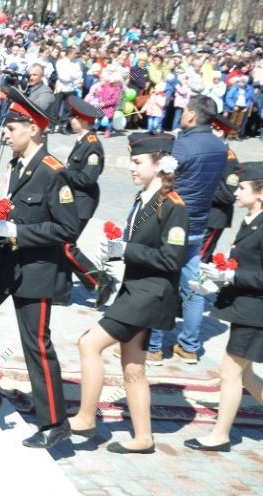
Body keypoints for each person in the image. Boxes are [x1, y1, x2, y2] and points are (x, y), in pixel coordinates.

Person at [0, 88, 78, 450]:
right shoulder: (16, 165)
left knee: (36, 344)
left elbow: (67, 229)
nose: (5, 133)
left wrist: (19, 232)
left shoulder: (53, 172)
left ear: (35, 129)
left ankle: (55, 422)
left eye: (13, 126)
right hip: (6, 260)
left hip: (37, 269)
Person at [69, 133, 187, 454]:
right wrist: (119, 249)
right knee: (133, 367)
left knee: (89, 343)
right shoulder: (144, 198)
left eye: (137, 162)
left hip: (150, 294)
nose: (131, 168)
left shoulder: (173, 205)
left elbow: (171, 259)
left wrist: (128, 249)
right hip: (135, 289)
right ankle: (144, 438)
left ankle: (85, 417)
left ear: (159, 164)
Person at [185, 161, 263, 452]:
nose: (235, 192)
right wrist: (220, 276)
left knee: (230, 372)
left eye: (242, 187)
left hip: (256, 312)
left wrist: (233, 275)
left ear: (260, 193)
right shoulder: (252, 219)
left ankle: (220, 435)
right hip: (246, 307)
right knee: (244, 373)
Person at [147, 94, 227, 364]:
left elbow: (165, 181)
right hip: (198, 223)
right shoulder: (219, 145)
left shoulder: (183, 145)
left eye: (184, 111)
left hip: (173, 224)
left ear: (191, 115)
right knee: (192, 288)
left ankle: (154, 346)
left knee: (163, 284)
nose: (182, 114)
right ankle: (190, 346)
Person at [56, 96, 117, 306]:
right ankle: (62, 294)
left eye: (74, 117)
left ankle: (101, 281)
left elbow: (88, 178)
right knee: (62, 245)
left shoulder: (92, 145)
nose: (71, 120)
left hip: (82, 203)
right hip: (74, 200)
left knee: (65, 245)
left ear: (82, 120)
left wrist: (63, 173)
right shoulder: (82, 141)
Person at [200, 115, 239, 258]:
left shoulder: (228, 158)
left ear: (220, 132)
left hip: (214, 218)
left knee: (200, 258)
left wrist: (203, 191)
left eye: (211, 129)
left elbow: (229, 195)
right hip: (202, 214)